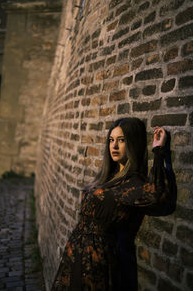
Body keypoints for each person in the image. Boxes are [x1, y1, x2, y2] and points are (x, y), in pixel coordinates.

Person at [52, 117, 174, 291]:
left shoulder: (134, 184)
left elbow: (158, 196)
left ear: (133, 143)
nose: (114, 146)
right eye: (111, 140)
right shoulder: (109, 177)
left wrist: (158, 152)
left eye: (121, 140)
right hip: (76, 255)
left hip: (97, 264)